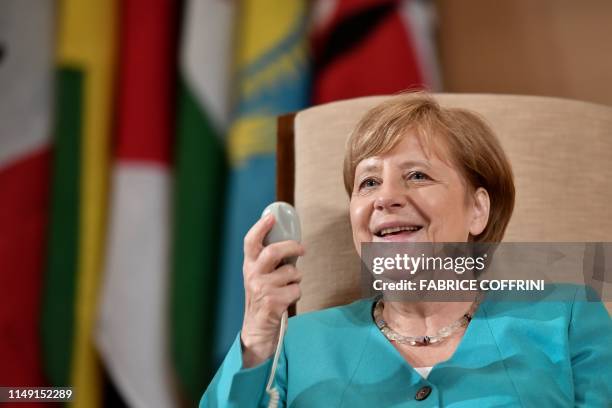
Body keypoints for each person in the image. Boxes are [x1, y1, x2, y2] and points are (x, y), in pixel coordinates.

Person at [201, 93, 612, 406]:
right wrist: (256, 335)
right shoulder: (294, 345)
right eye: (368, 182)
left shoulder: (567, 317)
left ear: (477, 210)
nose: (385, 198)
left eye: (417, 175)